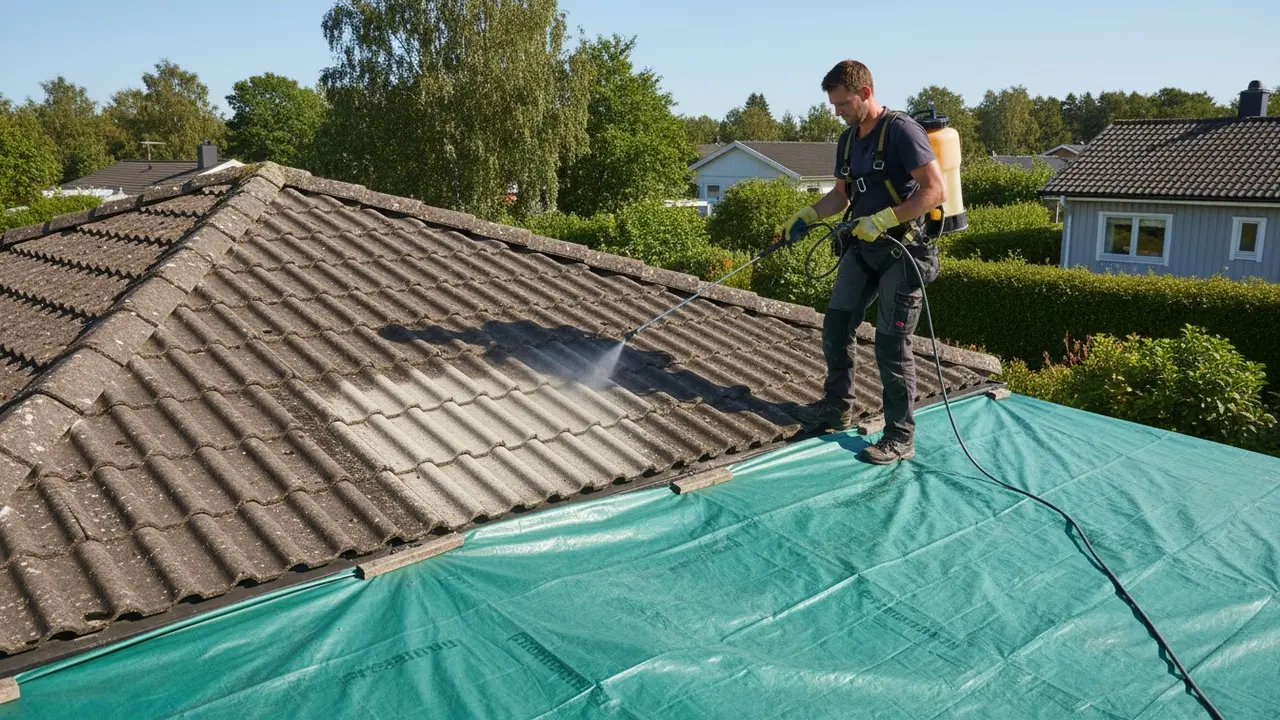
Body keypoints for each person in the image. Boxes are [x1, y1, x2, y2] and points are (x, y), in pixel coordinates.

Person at [778, 60, 946, 465]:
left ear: (866, 92)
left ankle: (900, 436)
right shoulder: (848, 140)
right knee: (836, 326)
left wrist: (887, 218)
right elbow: (842, 196)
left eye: (843, 103)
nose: (838, 111)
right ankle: (837, 406)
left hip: (903, 251)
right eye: (834, 105)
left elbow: (935, 190)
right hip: (862, 245)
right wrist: (808, 214)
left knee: (891, 345)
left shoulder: (902, 132)